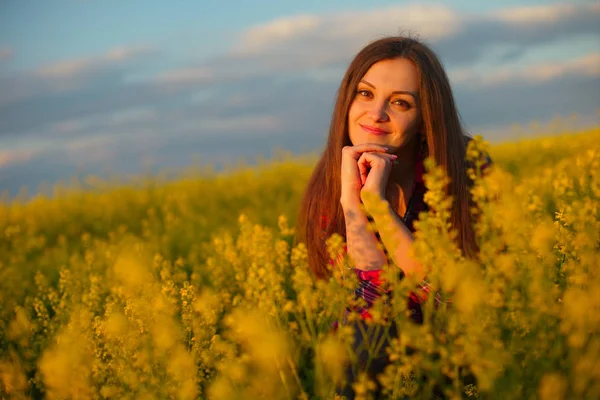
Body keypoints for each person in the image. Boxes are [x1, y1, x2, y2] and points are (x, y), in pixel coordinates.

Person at [296, 36, 492, 399]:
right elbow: (367, 308)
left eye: (400, 102)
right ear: (347, 99)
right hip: (380, 368)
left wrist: (378, 207)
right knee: (361, 343)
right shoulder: (329, 187)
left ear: (424, 117)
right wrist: (351, 204)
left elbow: (450, 301)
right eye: (365, 94)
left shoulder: (465, 170)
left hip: (459, 360)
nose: (377, 114)